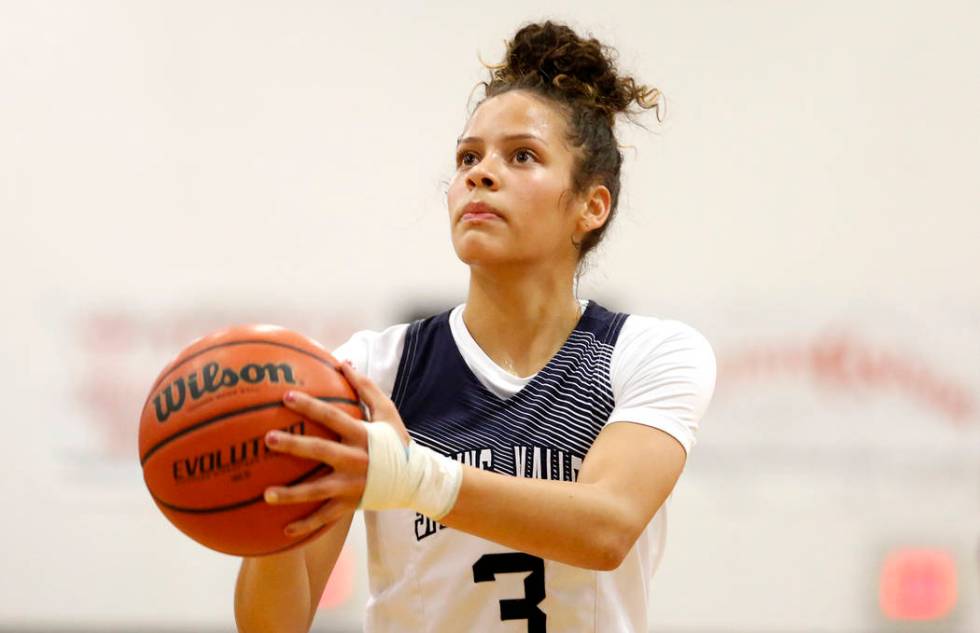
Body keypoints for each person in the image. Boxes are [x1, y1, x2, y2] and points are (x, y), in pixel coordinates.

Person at [235, 20, 716, 633]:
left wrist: (413, 476)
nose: (480, 174)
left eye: (522, 156)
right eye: (469, 157)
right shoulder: (369, 372)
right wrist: (256, 505)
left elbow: (606, 527)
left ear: (591, 206)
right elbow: (274, 625)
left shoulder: (649, 353)